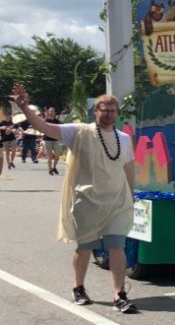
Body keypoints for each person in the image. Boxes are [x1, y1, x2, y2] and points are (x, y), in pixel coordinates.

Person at [10, 85, 138, 312]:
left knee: (116, 246)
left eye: (112, 110)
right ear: (95, 112)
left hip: (117, 201)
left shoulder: (124, 139)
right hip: (87, 200)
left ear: (117, 113)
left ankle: (119, 294)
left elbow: (128, 168)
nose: (108, 113)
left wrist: (132, 194)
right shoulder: (78, 131)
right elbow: (44, 127)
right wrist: (24, 108)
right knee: (85, 248)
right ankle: (78, 286)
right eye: (103, 109)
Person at [42, 106, 62, 175]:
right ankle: (50, 169)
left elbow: (62, 128)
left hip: (55, 139)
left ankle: (54, 167)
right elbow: (42, 128)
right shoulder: (46, 120)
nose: (51, 112)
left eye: (52, 111)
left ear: (55, 113)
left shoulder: (57, 121)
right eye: (50, 111)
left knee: (57, 156)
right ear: (48, 112)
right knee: (50, 156)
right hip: (47, 140)